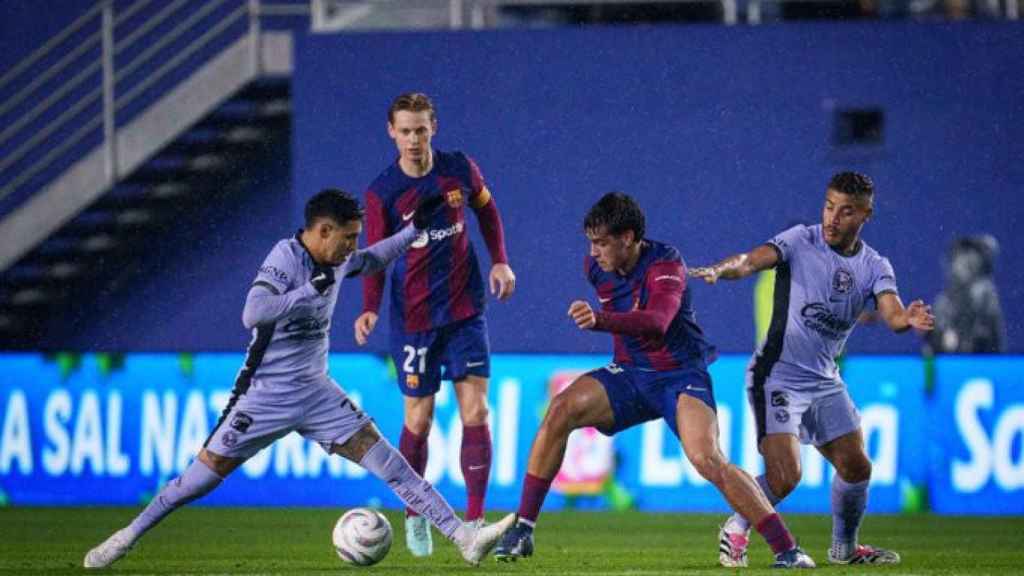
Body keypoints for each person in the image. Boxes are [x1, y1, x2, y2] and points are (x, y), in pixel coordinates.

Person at [83, 189, 513, 569]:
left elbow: (371, 260)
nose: (352, 246)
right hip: (265, 397)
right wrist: (309, 290)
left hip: (318, 393)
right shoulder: (285, 258)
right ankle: (125, 538)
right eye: (347, 237)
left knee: (391, 465)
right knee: (196, 482)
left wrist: (412, 231)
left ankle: (464, 538)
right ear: (323, 231)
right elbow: (253, 313)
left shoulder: (341, 259)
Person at [492, 192, 815, 569]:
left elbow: (657, 322)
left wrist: (600, 320)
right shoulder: (596, 268)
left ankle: (787, 549)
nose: (593, 253)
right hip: (630, 375)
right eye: (591, 243)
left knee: (707, 459)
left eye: (601, 243)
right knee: (561, 408)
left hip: (680, 377)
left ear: (627, 237)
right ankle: (523, 530)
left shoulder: (666, 265)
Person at [691, 172, 935, 567]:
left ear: (865, 215)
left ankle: (845, 548)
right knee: (786, 475)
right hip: (778, 374)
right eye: (828, 206)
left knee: (857, 466)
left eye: (846, 211)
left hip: (824, 380)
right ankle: (736, 527)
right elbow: (751, 260)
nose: (832, 218)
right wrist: (723, 269)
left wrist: (907, 318)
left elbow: (891, 313)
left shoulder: (875, 266)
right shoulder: (800, 240)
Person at [354, 93, 515, 557]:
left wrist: (500, 261)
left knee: (477, 413)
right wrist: (369, 308)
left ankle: (476, 519)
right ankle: (414, 514)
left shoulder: (459, 170)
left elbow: (487, 209)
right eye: (404, 130)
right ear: (392, 132)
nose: (413, 139)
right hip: (415, 320)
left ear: (433, 128)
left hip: (465, 310)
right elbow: (376, 257)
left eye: (420, 129)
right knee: (419, 421)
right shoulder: (382, 192)